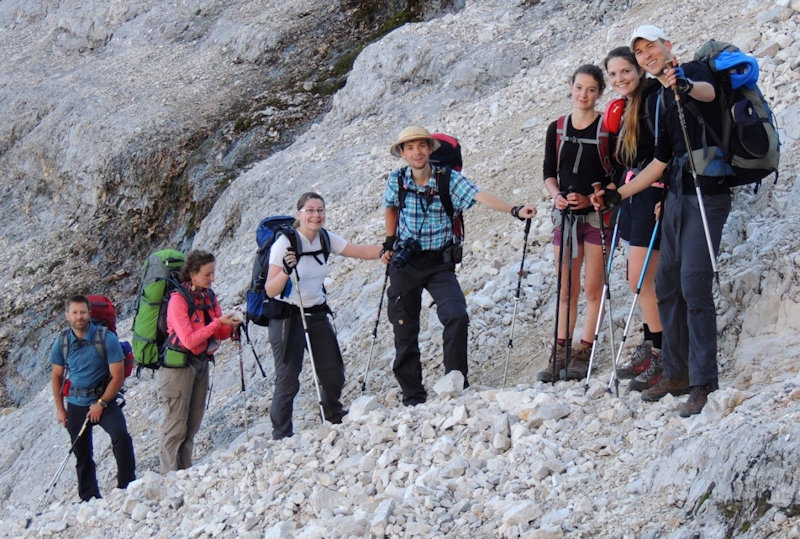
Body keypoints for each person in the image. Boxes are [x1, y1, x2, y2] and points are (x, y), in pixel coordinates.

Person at [592, 25, 732, 416]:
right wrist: (620, 194)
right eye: (639, 52)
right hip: (675, 197)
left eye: (650, 47)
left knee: (693, 284)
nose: (646, 55)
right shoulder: (660, 102)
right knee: (667, 283)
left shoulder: (692, 72)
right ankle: (677, 370)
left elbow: (709, 94)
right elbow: (659, 161)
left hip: (708, 193)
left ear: (666, 46)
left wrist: (682, 85)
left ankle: (704, 381)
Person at [382, 125, 536, 406]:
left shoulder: (448, 179)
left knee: (456, 315)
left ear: (429, 149)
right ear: (403, 154)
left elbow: (479, 195)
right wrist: (389, 242)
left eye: (421, 146)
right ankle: (412, 396)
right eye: (410, 148)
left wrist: (514, 210)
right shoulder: (397, 179)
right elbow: (391, 207)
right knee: (404, 326)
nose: (417, 152)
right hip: (406, 261)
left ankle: (455, 383)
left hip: (439, 262)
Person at [265, 192, 382, 440]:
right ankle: (281, 434)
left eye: (320, 210)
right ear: (299, 214)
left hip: (316, 311)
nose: (316, 215)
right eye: (310, 210)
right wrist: (286, 271)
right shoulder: (284, 243)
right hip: (287, 315)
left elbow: (358, 251)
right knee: (288, 377)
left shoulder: (325, 238)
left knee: (333, 371)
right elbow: (270, 289)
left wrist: (389, 248)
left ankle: (332, 416)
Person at [537, 65, 617, 383]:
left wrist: (590, 196)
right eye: (579, 87)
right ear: (570, 87)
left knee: (593, 288)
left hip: (597, 216)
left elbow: (615, 176)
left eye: (591, 90)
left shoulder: (607, 130)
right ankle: (561, 351)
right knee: (566, 288)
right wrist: (556, 195)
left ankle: (584, 351)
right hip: (566, 218)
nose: (583, 95)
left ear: (600, 93)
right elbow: (548, 171)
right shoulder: (556, 128)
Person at [603, 46, 665, 391]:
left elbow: (662, 155)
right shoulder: (629, 107)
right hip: (633, 197)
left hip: (648, 195)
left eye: (625, 71)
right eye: (613, 74)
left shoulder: (654, 100)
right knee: (638, 279)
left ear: (639, 69)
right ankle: (652, 342)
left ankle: (660, 351)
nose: (619, 79)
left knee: (641, 280)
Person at [159, 250, 241, 473]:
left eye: (213, 273)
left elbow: (218, 333)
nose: (212, 278)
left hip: (200, 363)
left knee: (192, 425)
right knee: (175, 426)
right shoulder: (178, 300)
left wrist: (231, 325)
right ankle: (168, 477)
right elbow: (188, 339)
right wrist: (218, 324)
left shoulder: (209, 296)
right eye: (207, 274)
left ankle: (184, 474)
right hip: (177, 369)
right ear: (192, 275)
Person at [49, 295, 135, 501]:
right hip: (77, 403)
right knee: (82, 453)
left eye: (83, 312)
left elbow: (118, 376)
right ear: (67, 316)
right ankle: (89, 497)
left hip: (104, 399)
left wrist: (101, 404)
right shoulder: (62, 342)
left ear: (89, 314)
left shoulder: (106, 338)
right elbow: (57, 376)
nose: (79, 317)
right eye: (75, 313)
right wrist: (61, 409)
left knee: (121, 437)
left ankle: (128, 486)